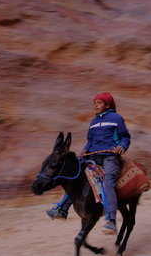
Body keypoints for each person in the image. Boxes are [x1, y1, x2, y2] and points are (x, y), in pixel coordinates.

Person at [46, 92, 131, 234]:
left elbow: (125, 137)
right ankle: (62, 209)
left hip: (110, 156)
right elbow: (90, 140)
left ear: (107, 105)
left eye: (99, 102)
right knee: (74, 174)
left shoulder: (116, 118)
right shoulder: (93, 122)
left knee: (109, 181)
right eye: (94, 103)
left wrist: (122, 146)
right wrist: (86, 149)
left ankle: (111, 220)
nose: (95, 105)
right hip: (93, 156)